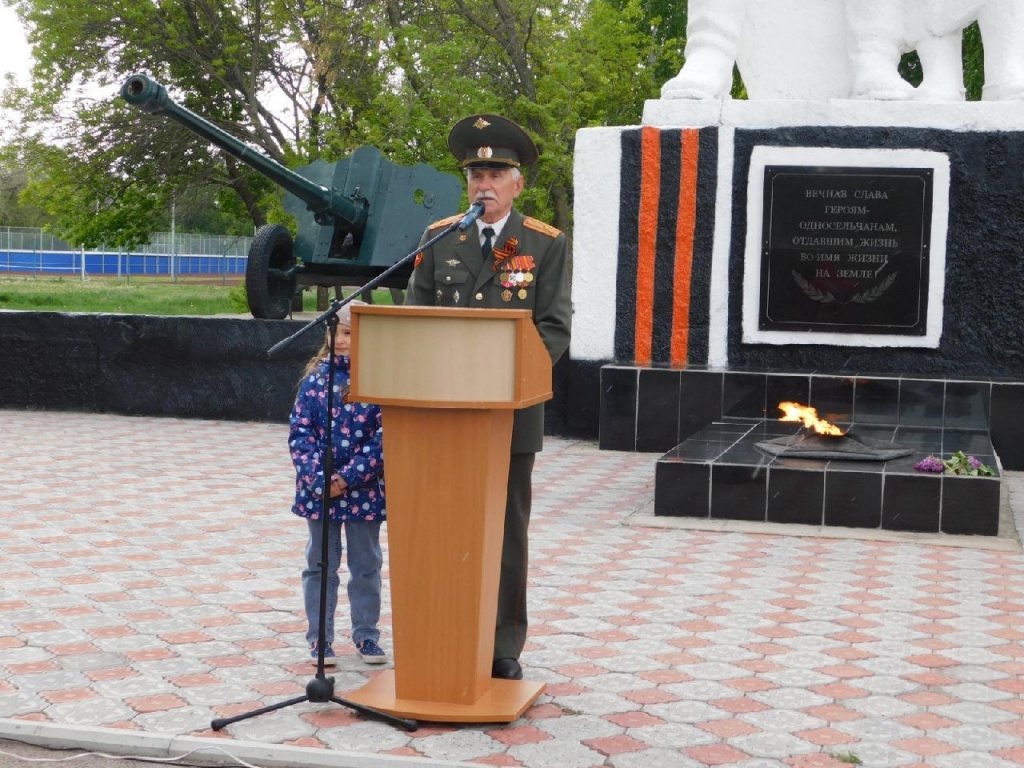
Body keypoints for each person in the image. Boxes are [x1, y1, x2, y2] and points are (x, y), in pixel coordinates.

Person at [404, 114, 572, 681]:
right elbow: (415, 320)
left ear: (517, 184)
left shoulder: (545, 244)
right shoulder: (438, 238)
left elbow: (554, 329)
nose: (485, 184)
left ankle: (502, 644)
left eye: (497, 174)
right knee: (439, 522)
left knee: (504, 531)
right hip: (442, 413)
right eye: (476, 174)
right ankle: (442, 630)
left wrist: (506, 383)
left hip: (510, 415)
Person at [288, 300, 387, 666]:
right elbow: (300, 434)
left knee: (366, 565)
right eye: (339, 333)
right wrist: (319, 480)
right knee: (320, 564)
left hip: (363, 492)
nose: (343, 341)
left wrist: (347, 477)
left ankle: (366, 635)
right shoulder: (315, 382)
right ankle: (320, 639)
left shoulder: (377, 383)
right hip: (320, 493)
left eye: (351, 334)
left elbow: (384, 439)